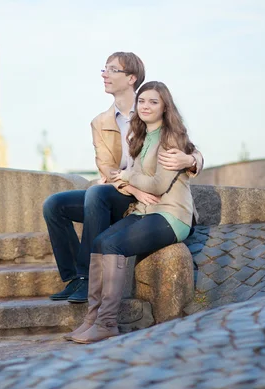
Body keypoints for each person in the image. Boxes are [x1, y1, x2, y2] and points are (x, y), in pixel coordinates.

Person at [43, 52, 203, 305]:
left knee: (96, 194)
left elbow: (183, 144)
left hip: (145, 197)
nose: (104, 74)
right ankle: (74, 277)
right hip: (123, 190)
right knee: (54, 205)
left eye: (112, 69)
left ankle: (88, 279)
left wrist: (192, 160)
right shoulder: (100, 122)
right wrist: (133, 188)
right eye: (103, 69)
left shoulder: (151, 112)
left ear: (131, 78)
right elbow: (106, 168)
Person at [69, 81, 198, 343]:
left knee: (114, 245)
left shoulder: (170, 137)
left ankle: (107, 322)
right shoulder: (140, 137)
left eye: (154, 102)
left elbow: (158, 184)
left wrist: (128, 175)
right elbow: (140, 180)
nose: (146, 106)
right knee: (99, 241)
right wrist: (132, 177)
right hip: (145, 211)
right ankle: (92, 318)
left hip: (171, 216)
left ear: (164, 107)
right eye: (142, 101)